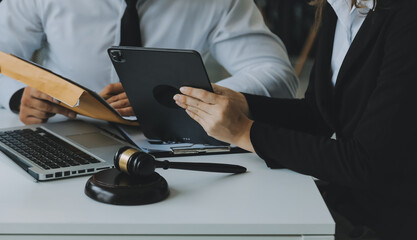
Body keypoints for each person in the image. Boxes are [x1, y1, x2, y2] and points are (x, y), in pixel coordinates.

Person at [174, 0, 417, 239]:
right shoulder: (339, 9)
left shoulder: (406, 17)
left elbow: (365, 163)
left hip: (385, 219)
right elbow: (317, 115)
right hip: (348, 199)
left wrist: (243, 132)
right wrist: (243, 104)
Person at [0, 0, 297, 125]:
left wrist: (184, 97)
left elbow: (278, 76)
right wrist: (17, 95)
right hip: (66, 129)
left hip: (177, 135)